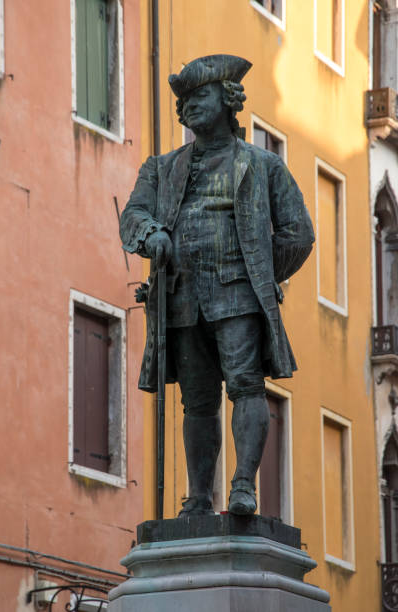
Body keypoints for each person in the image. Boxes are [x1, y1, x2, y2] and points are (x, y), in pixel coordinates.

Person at [120, 54, 314, 517]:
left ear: (228, 100)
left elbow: (299, 233)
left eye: (199, 96)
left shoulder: (263, 166)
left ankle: (244, 486)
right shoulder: (161, 168)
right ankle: (198, 499)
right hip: (182, 297)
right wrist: (153, 235)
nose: (189, 107)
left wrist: (261, 272)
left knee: (247, 386)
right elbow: (133, 216)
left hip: (238, 294)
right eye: (183, 102)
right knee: (197, 401)